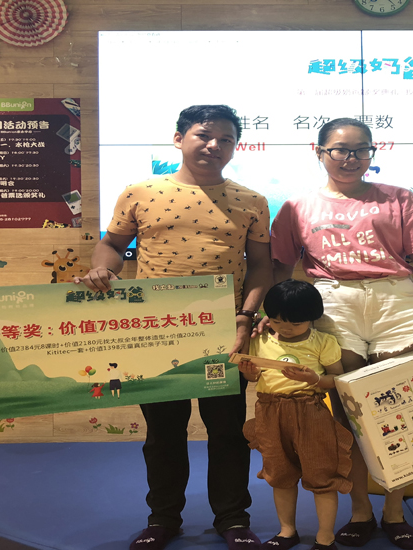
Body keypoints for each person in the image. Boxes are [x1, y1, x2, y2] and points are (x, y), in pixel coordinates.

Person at [75, 105, 273, 550]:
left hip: (224, 331)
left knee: (227, 431)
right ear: (179, 138)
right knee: (163, 433)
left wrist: (245, 318)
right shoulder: (140, 192)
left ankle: (233, 519)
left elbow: (261, 266)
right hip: (157, 331)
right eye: (204, 135)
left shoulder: (252, 200)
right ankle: (162, 519)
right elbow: (111, 245)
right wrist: (103, 271)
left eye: (226, 139)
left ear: (235, 147)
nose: (214, 145)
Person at [267, 118, 413, 550]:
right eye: (340, 149)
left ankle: (394, 512)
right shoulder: (297, 206)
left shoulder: (400, 198)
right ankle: (360, 511)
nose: (350, 158)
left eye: (361, 150)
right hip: (334, 302)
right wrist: (274, 312)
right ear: (319, 152)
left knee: (402, 411)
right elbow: (281, 265)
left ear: (372, 153)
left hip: (396, 301)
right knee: (350, 418)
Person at [237, 279, 353, 550]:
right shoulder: (259, 339)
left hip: (311, 410)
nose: (285, 328)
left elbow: (338, 379)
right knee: (279, 474)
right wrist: (249, 373)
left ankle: (326, 537)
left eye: (296, 323)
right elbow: (252, 376)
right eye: (277, 321)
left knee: (322, 475)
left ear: (313, 318)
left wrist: (315, 379)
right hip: (269, 411)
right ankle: (286, 531)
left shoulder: (323, 341)